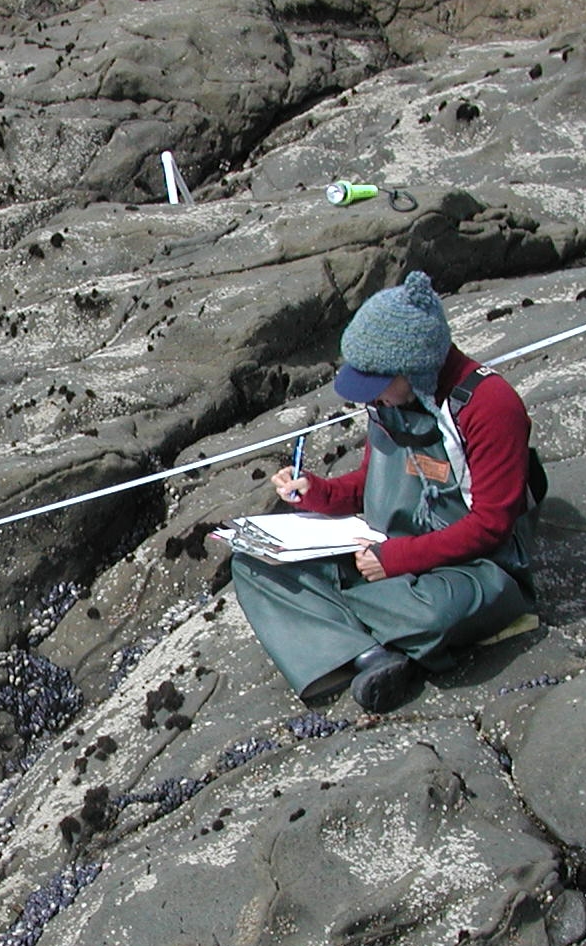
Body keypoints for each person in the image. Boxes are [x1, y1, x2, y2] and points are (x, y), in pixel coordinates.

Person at [228, 269, 536, 713]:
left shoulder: (489, 406)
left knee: (434, 613)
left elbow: (493, 526)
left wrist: (395, 560)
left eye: (376, 386)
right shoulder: (393, 400)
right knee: (254, 562)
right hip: (386, 553)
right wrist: (317, 493)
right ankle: (373, 655)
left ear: (415, 366)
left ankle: (339, 632)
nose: (369, 401)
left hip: (473, 568)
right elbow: (372, 484)